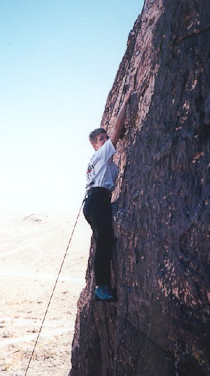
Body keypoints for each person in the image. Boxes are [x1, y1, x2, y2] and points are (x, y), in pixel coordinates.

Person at [83, 90, 133, 301]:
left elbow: (119, 135)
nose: (105, 141)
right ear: (95, 145)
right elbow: (117, 130)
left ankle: (102, 285)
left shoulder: (103, 161)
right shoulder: (101, 154)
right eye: (101, 140)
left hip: (94, 201)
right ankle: (101, 287)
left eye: (105, 138)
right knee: (104, 241)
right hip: (97, 200)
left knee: (104, 241)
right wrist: (126, 101)